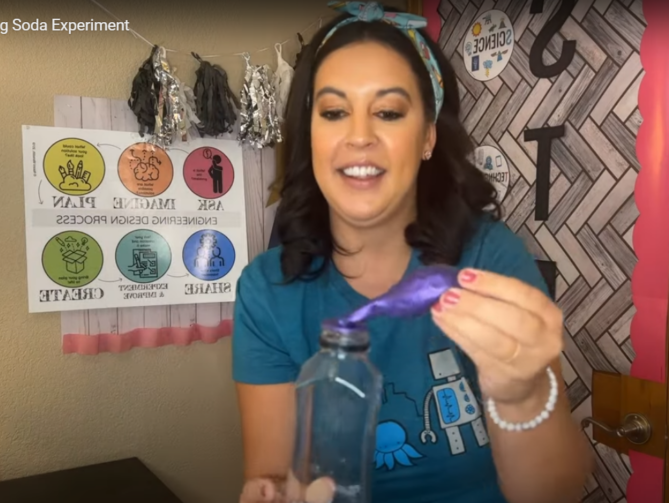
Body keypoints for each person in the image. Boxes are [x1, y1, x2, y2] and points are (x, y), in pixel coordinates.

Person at [231, 2, 592, 503]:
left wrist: (523, 393)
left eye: (388, 112)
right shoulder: (266, 291)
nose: (359, 136)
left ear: (426, 137)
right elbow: (271, 474)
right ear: (310, 135)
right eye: (334, 112)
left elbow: (556, 493)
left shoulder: (489, 259)